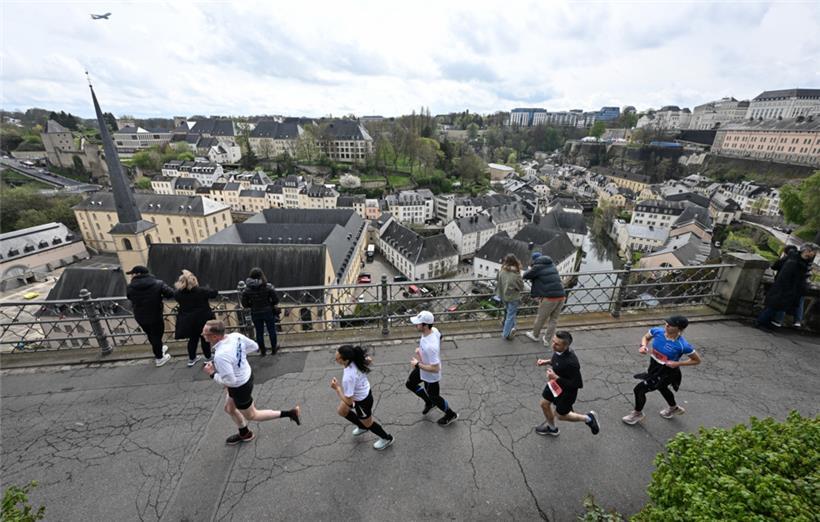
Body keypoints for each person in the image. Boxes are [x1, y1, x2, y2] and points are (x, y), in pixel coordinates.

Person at [201, 320, 300, 445]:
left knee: (252, 415)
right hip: (247, 375)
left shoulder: (221, 355)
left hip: (239, 387)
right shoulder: (236, 336)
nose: (203, 335)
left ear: (214, 336)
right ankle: (244, 433)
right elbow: (254, 346)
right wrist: (237, 358)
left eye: (205, 334)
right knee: (229, 408)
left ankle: (290, 413)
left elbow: (230, 381)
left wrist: (212, 373)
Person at [622, 316, 702, 425]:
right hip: (654, 366)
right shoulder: (658, 331)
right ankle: (674, 408)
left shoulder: (683, 345)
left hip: (667, 372)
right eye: (666, 323)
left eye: (671, 325)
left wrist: (677, 363)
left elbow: (696, 360)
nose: (667, 325)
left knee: (639, 389)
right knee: (662, 387)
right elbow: (646, 337)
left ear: (679, 329)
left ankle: (637, 414)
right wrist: (643, 346)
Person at [330, 345, 394, 450]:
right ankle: (362, 426)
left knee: (369, 423)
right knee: (342, 411)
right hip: (360, 393)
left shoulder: (348, 378)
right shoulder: (355, 359)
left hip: (362, 402)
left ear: (344, 360)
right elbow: (368, 360)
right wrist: (367, 361)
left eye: (337, 358)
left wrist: (337, 389)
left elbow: (350, 403)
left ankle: (387, 438)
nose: (335, 358)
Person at [535, 331, 599, 436]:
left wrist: (555, 377)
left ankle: (588, 418)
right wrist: (546, 362)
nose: (553, 345)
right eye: (553, 342)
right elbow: (557, 359)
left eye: (557, 344)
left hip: (567, 393)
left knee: (561, 416)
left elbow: (577, 384)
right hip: (554, 385)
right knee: (544, 404)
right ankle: (552, 429)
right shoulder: (559, 351)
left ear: (566, 346)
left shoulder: (572, 363)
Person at [406, 311, 458, 426]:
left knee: (435, 397)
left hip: (430, 375)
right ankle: (429, 402)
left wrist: (417, 364)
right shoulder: (433, 330)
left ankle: (450, 414)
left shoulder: (431, 347)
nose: (416, 325)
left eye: (418, 323)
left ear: (425, 325)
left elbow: (436, 368)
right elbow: (440, 336)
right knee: (410, 384)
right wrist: (421, 351)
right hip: (423, 367)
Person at [756, 244, 817, 331]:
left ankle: (767, 323)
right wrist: (788, 289)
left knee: (776, 307)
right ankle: (760, 323)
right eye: (814, 252)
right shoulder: (794, 261)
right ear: (807, 251)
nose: (814, 254)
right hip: (784, 289)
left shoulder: (798, 260)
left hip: (787, 289)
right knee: (772, 307)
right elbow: (786, 276)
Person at [126, 265, 174, 367]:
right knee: (157, 335)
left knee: (151, 335)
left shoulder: (130, 287)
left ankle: (159, 350)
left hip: (140, 316)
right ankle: (159, 358)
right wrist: (159, 295)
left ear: (138, 274)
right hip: (155, 314)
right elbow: (170, 294)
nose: (131, 276)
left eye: (132, 274)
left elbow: (129, 297)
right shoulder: (158, 283)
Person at [173, 270, 218, 367]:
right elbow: (214, 293)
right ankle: (208, 357)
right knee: (204, 338)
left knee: (192, 339)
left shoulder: (178, 294)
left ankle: (192, 359)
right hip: (203, 319)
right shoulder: (201, 291)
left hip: (188, 320)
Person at [523, 252, 566, 346]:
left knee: (541, 318)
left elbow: (525, 275)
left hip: (550, 298)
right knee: (554, 319)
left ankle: (535, 335)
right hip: (561, 296)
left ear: (534, 260)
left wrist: (530, 269)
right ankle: (547, 340)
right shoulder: (552, 265)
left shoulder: (537, 267)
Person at [241, 267, 280, 356]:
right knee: (271, 330)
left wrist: (253, 305)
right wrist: (270, 304)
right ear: (261, 275)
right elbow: (276, 300)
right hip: (268, 311)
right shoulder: (268, 287)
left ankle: (262, 351)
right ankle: (274, 349)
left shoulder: (247, 289)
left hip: (255, 312)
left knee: (259, 332)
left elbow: (245, 304)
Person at [497, 254, 524, 340]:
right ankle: (505, 334)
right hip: (513, 297)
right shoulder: (516, 274)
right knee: (511, 315)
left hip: (503, 295)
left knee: (508, 312)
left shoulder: (502, 271)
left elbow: (497, 278)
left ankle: (512, 328)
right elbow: (521, 287)